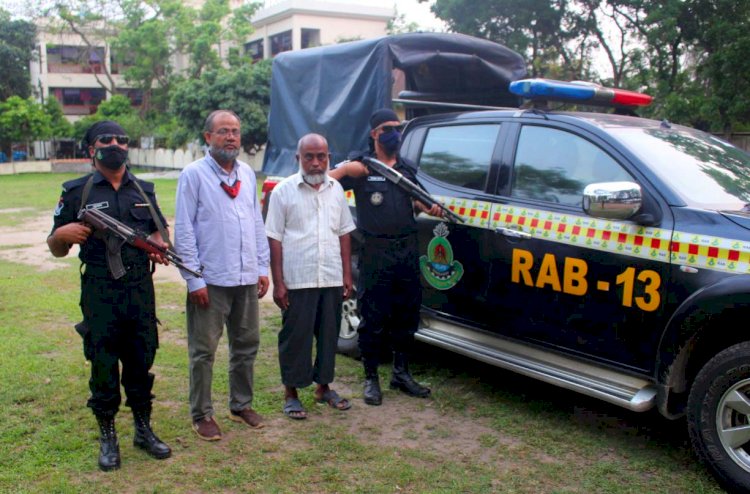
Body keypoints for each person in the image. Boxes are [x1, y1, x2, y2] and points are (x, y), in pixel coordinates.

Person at [47, 120, 172, 471]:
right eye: (106, 139)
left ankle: (143, 430)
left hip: (139, 290)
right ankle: (108, 435)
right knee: (103, 363)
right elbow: (56, 247)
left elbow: (161, 234)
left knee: (141, 359)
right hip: (100, 292)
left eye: (122, 139)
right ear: (91, 149)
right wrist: (63, 234)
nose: (115, 144)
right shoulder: (76, 192)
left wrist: (158, 247)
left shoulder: (144, 190)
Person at [328, 108, 443, 406]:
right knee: (373, 317)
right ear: (374, 134)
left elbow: (416, 202)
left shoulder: (405, 170)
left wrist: (428, 207)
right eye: (388, 129)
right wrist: (343, 171)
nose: (395, 133)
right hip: (375, 251)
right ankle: (371, 379)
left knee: (407, 314)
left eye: (398, 128)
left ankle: (401, 373)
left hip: (406, 249)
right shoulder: (363, 167)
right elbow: (324, 184)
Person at [174, 109, 270, 441]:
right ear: (208, 137)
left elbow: (256, 223)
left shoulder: (246, 173)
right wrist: (193, 279)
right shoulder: (194, 175)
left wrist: (262, 267)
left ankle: (241, 404)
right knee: (203, 351)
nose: (231, 137)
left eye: (236, 131)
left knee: (246, 345)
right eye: (224, 131)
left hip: (244, 278)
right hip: (210, 281)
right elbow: (184, 231)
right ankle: (201, 414)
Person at [265, 133, 356, 419]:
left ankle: (323, 387)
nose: (316, 163)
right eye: (310, 157)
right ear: (298, 158)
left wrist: (346, 274)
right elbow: (274, 238)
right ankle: (291, 393)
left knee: (329, 335)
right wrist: (279, 282)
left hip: (330, 276)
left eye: (322, 157)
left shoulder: (337, 189)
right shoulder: (283, 191)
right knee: (296, 337)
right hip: (297, 278)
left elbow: (343, 233)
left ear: (329, 157)